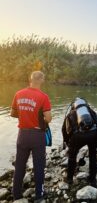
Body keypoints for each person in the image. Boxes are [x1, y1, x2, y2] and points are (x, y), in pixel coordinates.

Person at [10, 71, 52, 201]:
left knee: (20, 165)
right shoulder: (43, 97)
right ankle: (39, 195)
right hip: (37, 135)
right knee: (39, 165)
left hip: (22, 134)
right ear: (42, 80)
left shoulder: (18, 94)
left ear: (30, 79)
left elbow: (12, 113)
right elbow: (48, 118)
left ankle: (16, 194)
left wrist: (24, 115)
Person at [62, 98, 97, 187]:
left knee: (72, 156)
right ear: (85, 105)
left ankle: (69, 179)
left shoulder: (70, 114)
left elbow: (64, 131)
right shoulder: (91, 112)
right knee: (92, 156)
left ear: (74, 106)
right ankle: (92, 180)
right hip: (93, 134)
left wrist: (68, 143)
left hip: (78, 136)